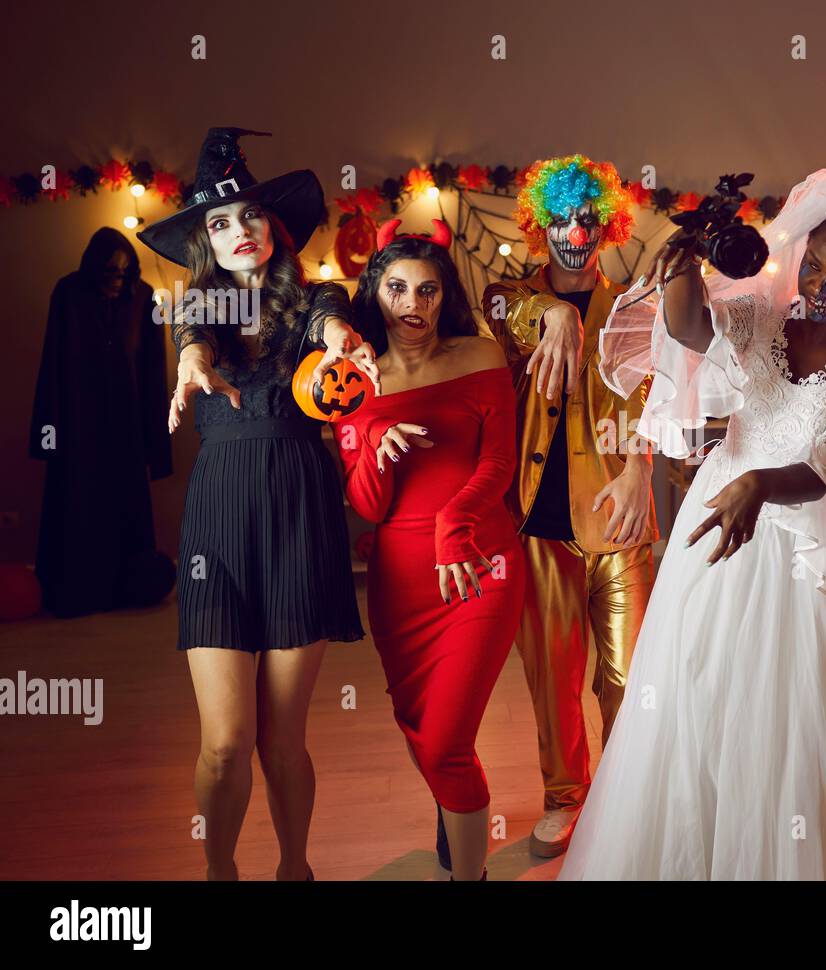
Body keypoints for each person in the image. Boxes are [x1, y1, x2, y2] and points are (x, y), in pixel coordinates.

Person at [559, 158, 826, 879]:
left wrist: (760, 482)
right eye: (812, 265)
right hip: (717, 530)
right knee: (694, 694)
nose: (818, 286)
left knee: (797, 726)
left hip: (803, 557)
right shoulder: (763, 318)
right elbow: (692, 329)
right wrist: (683, 266)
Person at [138, 127, 376, 880]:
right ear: (206, 241)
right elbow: (193, 338)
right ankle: (220, 870)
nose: (239, 232)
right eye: (219, 223)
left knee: (282, 739)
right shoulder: (194, 306)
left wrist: (338, 335)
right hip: (219, 523)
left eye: (249, 216)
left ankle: (295, 869)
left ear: (273, 225)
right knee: (224, 740)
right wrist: (192, 365)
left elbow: (327, 318)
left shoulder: (315, 296)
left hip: (302, 518)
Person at [336, 218, 523, 883]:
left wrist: (455, 523)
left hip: (480, 564)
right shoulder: (356, 383)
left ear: (446, 296)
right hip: (402, 583)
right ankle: (456, 833)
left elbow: (501, 463)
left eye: (428, 290)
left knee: (446, 743)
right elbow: (367, 507)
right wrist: (378, 458)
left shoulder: (480, 356)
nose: (413, 305)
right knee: (425, 738)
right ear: (375, 293)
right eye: (397, 289)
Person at [481, 155, 657, 857]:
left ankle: (625, 800)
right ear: (539, 225)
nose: (576, 231)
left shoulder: (635, 306)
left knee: (628, 675)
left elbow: (658, 398)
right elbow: (503, 312)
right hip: (537, 522)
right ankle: (565, 797)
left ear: (605, 224)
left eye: (588, 218)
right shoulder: (508, 298)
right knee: (552, 678)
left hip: (619, 519)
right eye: (561, 219)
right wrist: (552, 310)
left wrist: (642, 469)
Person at [29, 227, 174, 617]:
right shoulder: (69, 293)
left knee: (124, 505)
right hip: (78, 424)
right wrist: (48, 435)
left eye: (123, 273)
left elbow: (153, 372)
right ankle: (77, 590)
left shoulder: (143, 298)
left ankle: (126, 587)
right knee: (78, 505)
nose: (116, 280)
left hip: (126, 425)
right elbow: (53, 364)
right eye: (110, 271)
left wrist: (156, 446)